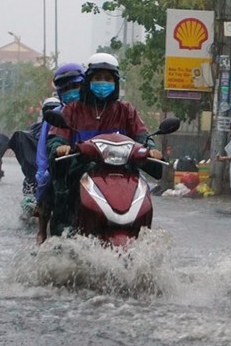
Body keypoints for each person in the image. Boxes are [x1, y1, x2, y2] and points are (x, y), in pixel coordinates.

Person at [47, 53, 161, 236]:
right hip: (82, 167)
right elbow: (56, 138)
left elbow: (142, 136)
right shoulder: (72, 110)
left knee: (144, 188)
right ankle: (61, 239)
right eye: (98, 78)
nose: (103, 82)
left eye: (108, 78)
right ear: (88, 80)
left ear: (115, 83)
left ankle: (142, 234)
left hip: (123, 171)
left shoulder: (126, 111)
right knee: (62, 193)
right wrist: (60, 147)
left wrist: (152, 150)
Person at [34, 63, 84, 243]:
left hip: (94, 164)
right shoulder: (55, 116)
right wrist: (43, 171)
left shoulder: (97, 112)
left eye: (75, 87)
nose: (71, 92)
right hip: (63, 166)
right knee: (48, 181)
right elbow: (43, 150)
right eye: (66, 88)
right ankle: (44, 232)